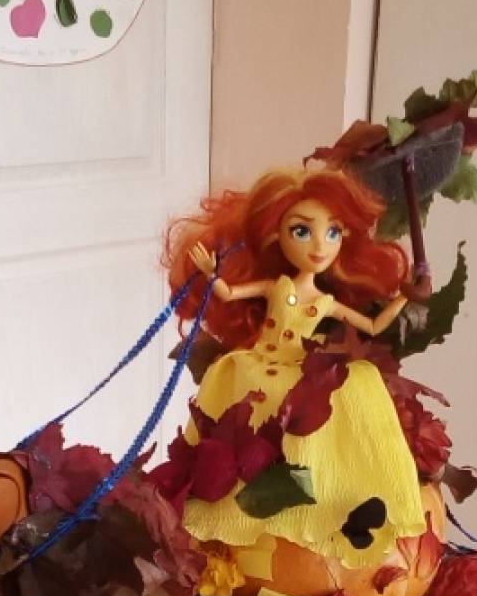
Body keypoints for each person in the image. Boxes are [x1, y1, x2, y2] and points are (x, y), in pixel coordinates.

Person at [162, 167, 427, 574]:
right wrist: (212, 274)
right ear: (275, 236)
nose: (320, 245)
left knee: (348, 391)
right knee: (253, 402)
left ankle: (342, 502)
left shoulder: (325, 301)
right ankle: (244, 508)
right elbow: (229, 293)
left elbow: (373, 326)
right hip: (261, 362)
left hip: (302, 366)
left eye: (333, 232)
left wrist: (404, 298)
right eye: (302, 231)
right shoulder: (278, 287)